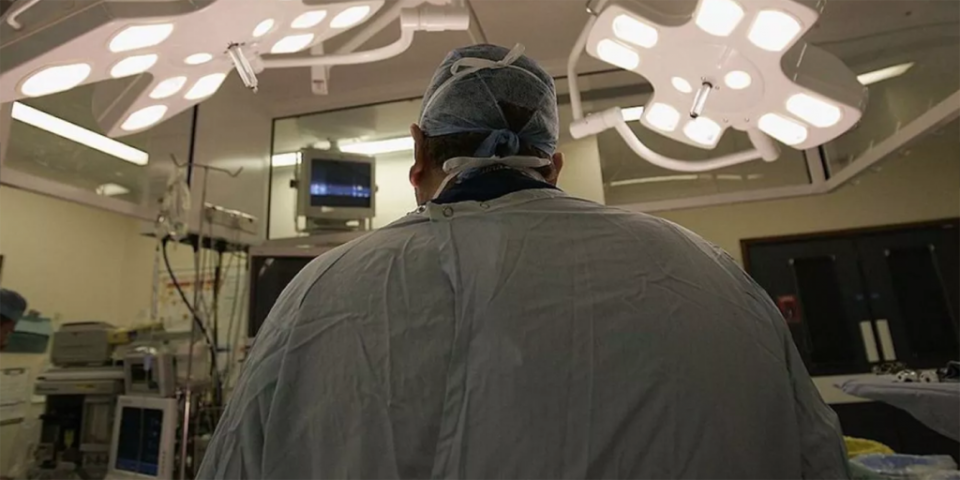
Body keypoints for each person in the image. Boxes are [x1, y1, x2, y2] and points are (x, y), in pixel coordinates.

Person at [197, 44, 850, 480]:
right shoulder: (708, 274)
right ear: (554, 164)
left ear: (417, 155)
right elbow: (818, 459)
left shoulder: (317, 294)